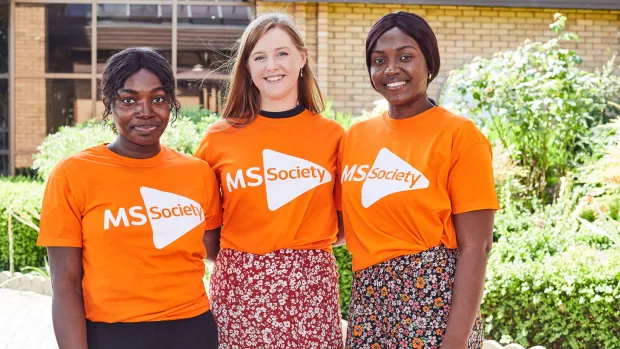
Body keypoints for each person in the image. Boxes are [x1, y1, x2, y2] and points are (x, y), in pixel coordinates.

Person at [37, 47, 222, 349]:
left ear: (172, 103)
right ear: (109, 105)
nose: (145, 111)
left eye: (158, 99)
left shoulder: (198, 173)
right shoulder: (73, 174)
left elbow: (215, 251)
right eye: (129, 100)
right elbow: (65, 284)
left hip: (193, 331)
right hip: (111, 335)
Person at [339, 12, 499, 349]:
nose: (391, 69)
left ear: (430, 64)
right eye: (379, 60)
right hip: (368, 303)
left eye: (406, 57)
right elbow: (343, 223)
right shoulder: (356, 137)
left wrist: (455, 341)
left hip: (433, 306)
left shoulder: (459, 135)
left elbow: (477, 247)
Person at [194, 12, 344, 349]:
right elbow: (205, 227)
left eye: (282, 53)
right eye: (259, 57)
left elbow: (345, 220)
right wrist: (249, 259)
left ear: (302, 58)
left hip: (311, 288)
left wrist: (300, 254)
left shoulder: (332, 135)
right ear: (247, 67)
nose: (271, 65)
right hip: (239, 288)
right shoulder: (218, 138)